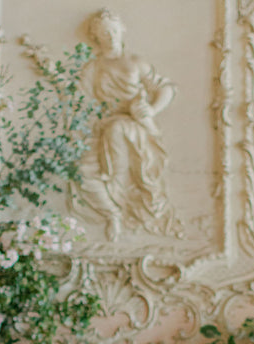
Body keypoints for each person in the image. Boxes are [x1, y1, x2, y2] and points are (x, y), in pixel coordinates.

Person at [75, 8, 180, 241]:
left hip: (134, 125)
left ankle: (125, 204)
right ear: (96, 37)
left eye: (113, 30)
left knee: (117, 130)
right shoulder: (92, 69)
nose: (110, 36)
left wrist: (151, 109)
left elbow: (166, 88)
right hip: (101, 127)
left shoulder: (135, 62)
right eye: (104, 32)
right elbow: (80, 104)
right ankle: (112, 213)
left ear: (122, 30)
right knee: (83, 172)